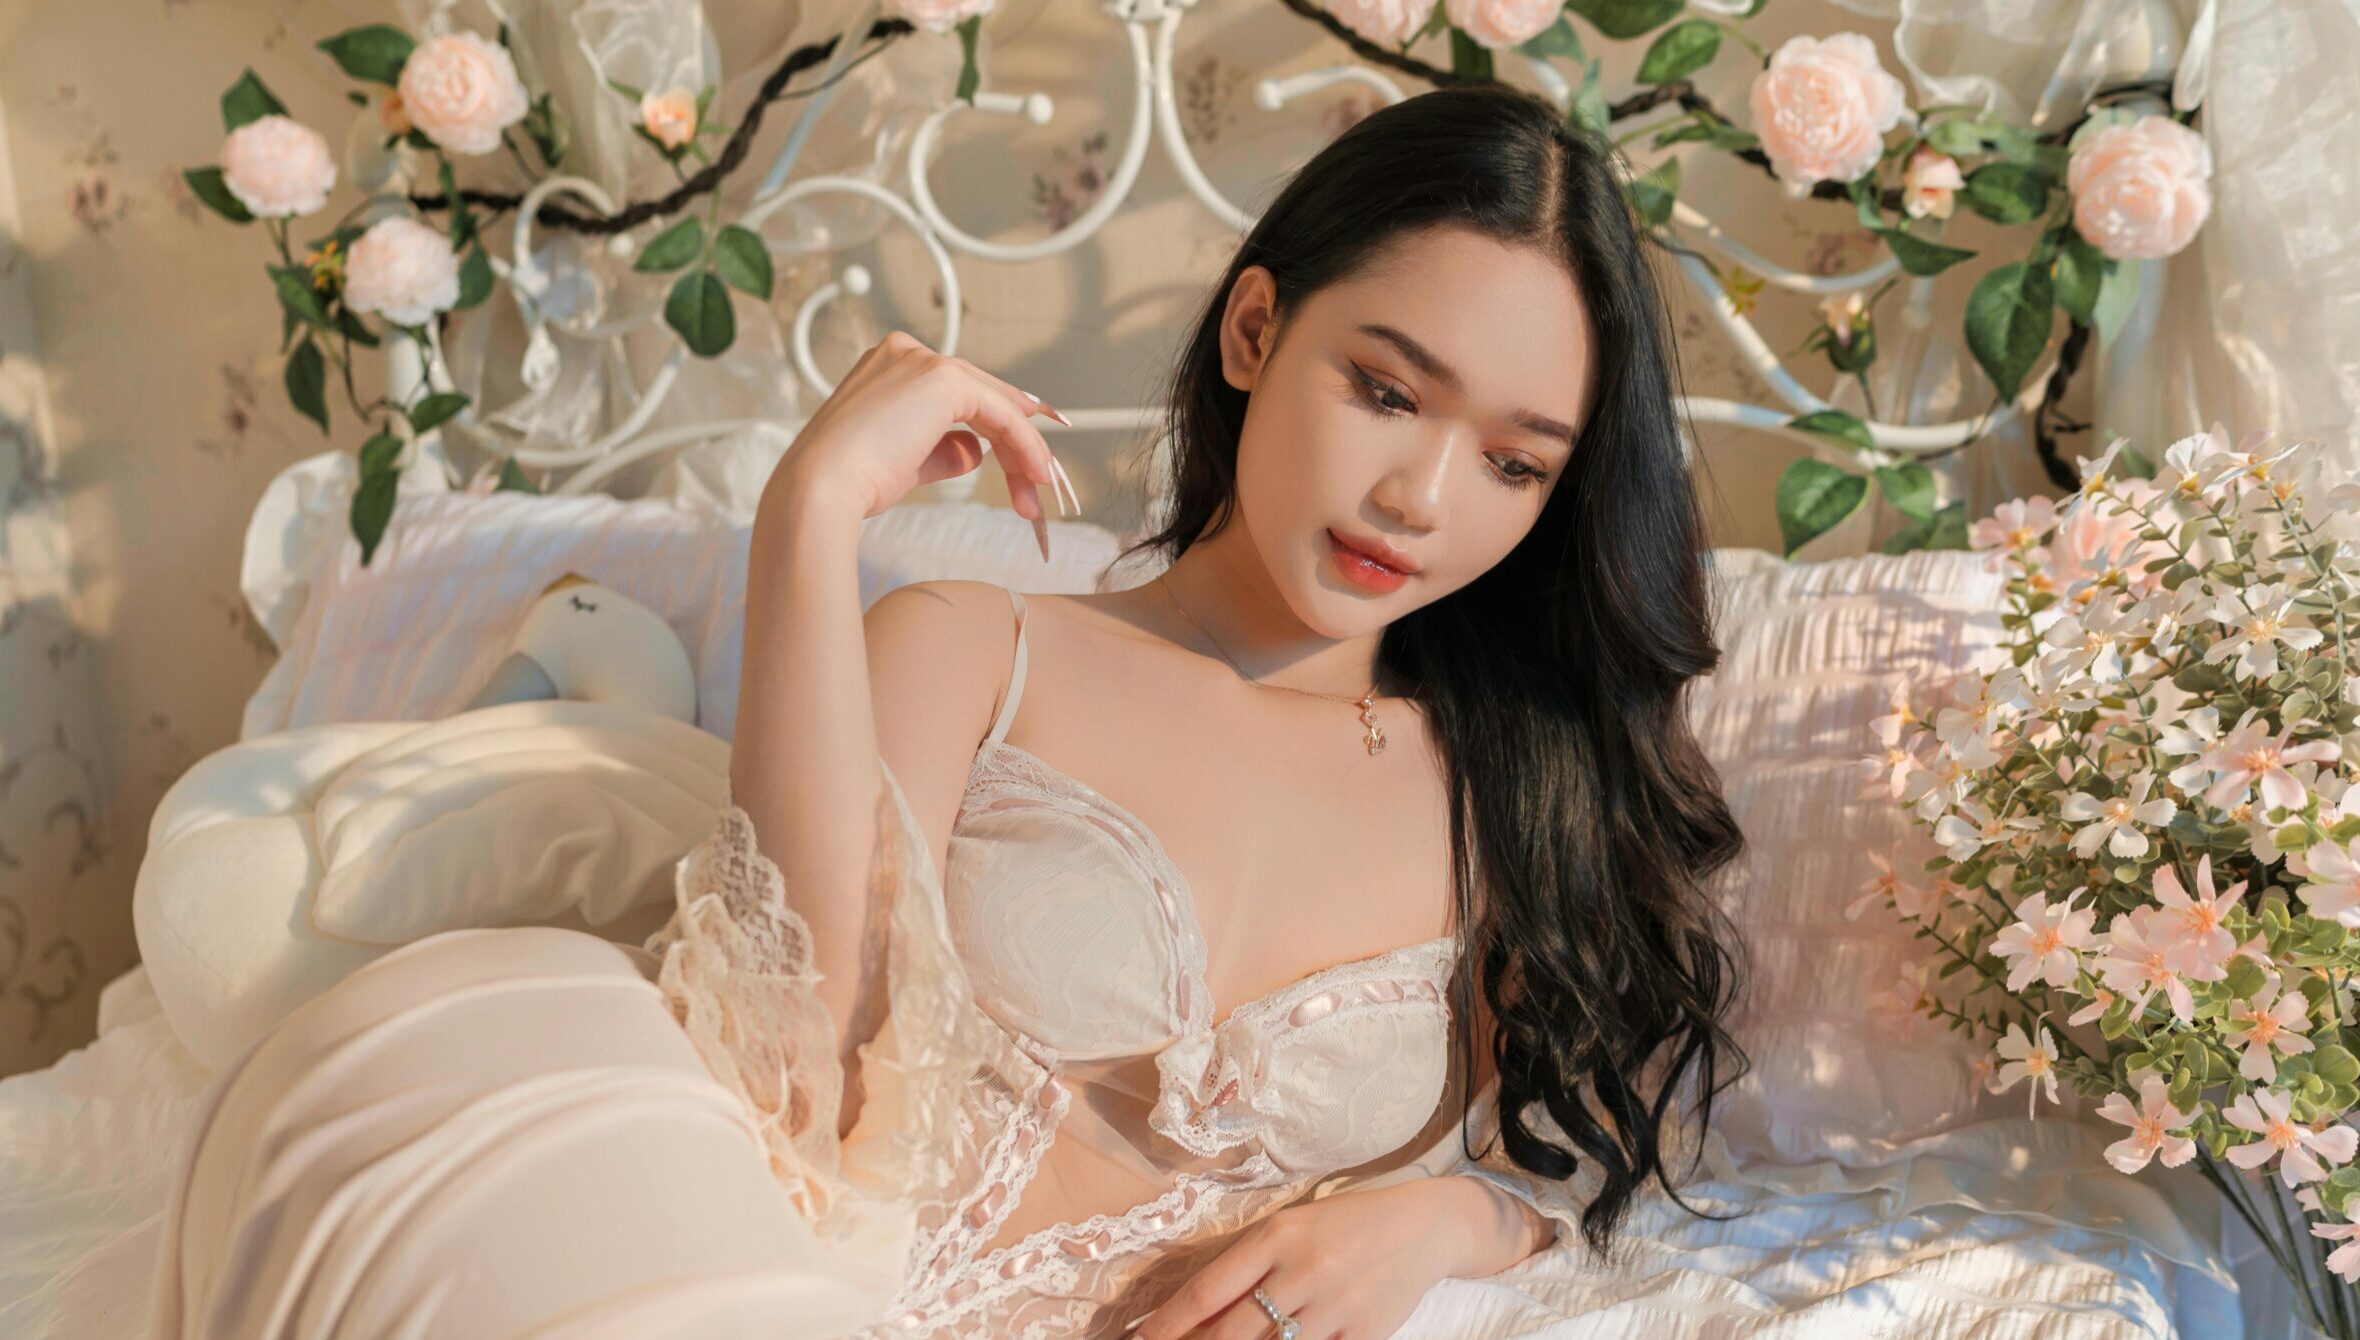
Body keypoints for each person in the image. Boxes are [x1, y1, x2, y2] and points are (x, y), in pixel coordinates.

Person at [150, 83, 1748, 1340]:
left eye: (1514, 463)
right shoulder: (977, 647)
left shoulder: (1505, 787)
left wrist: (1434, 1222)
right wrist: (811, 510)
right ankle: (575, 665)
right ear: (1256, 331)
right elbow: (785, 1041)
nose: (1422, 497)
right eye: (1387, 391)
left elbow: (1562, 1160)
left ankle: (595, 674)